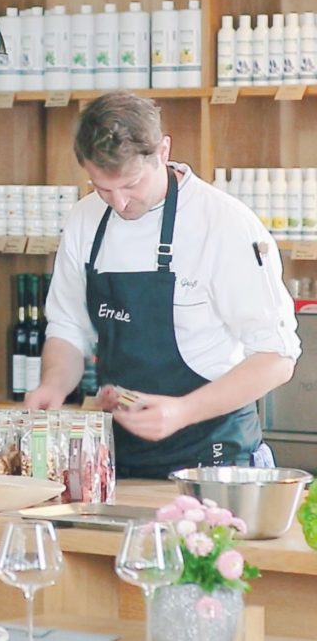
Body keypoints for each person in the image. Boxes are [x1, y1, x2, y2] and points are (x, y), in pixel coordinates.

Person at [25, 91, 300, 478]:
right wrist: (53, 385)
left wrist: (182, 411)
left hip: (213, 461)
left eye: (132, 184)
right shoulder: (85, 220)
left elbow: (277, 358)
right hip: (121, 461)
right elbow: (69, 327)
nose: (119, 203)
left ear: (163, 151)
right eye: (102, 188)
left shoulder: (222, 224)